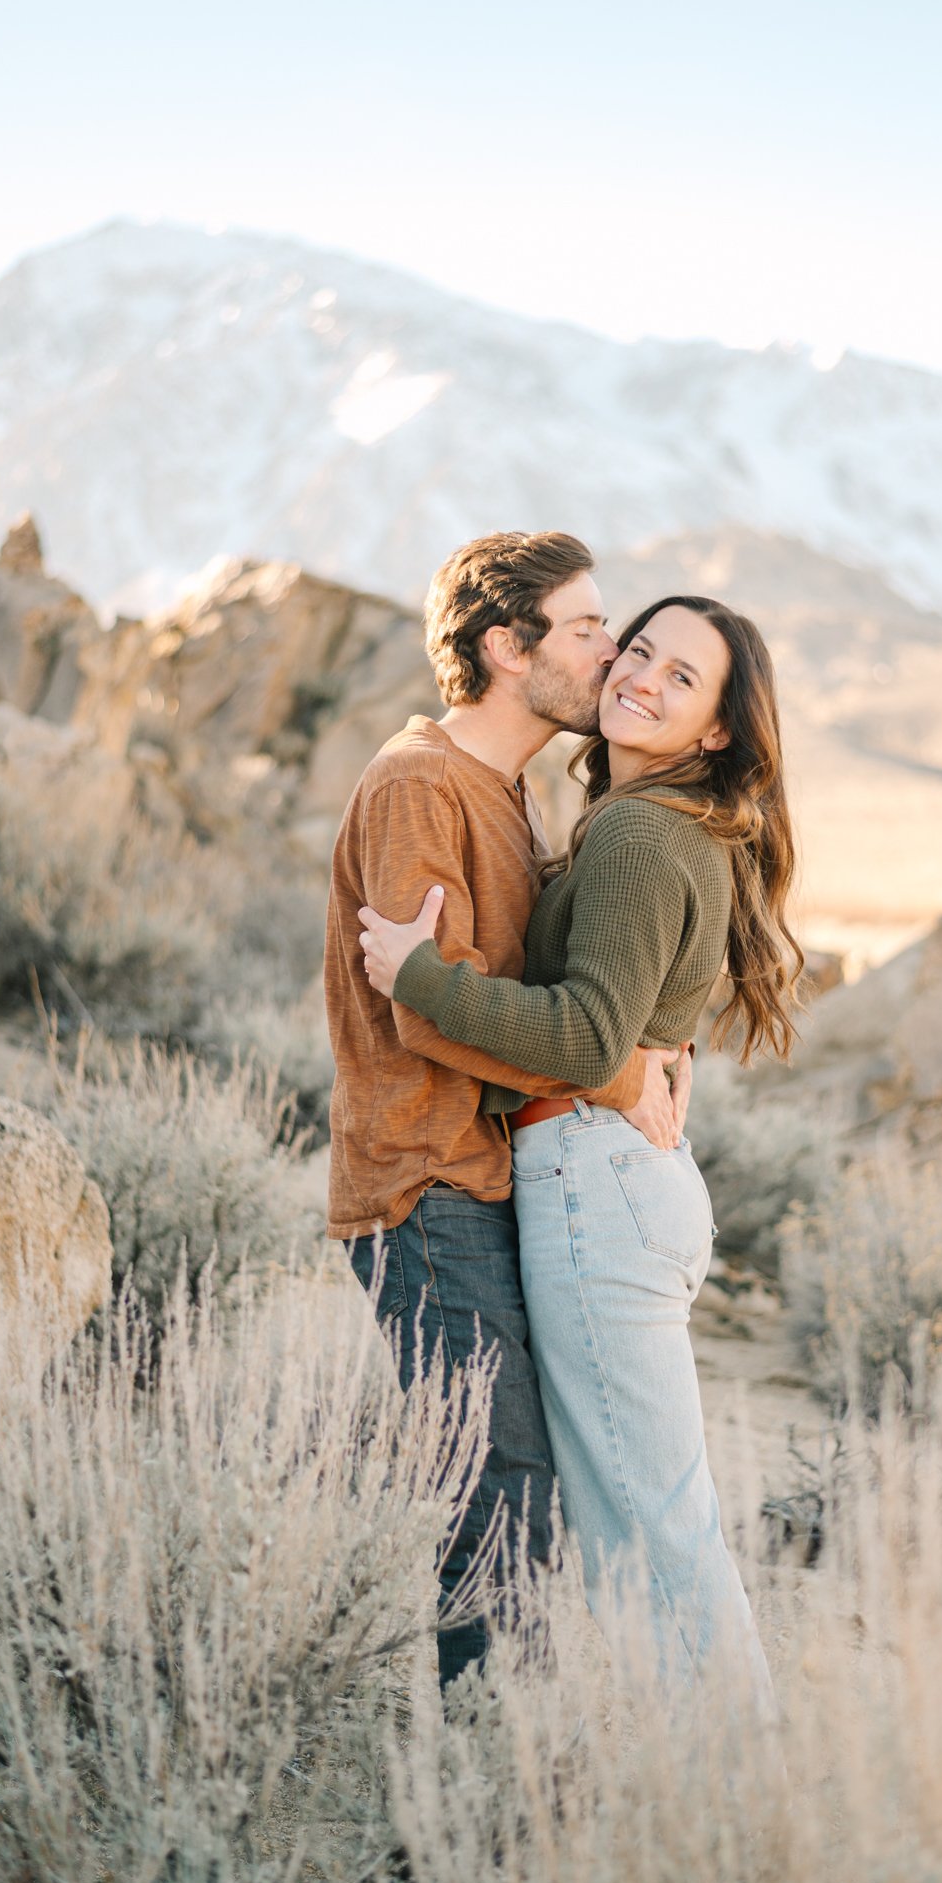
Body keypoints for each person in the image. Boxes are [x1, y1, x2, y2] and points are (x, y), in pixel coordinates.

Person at [358, 594, 803, 1717]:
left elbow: (588, 1038)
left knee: (653, 1533)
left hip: (597, 1189)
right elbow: (638, 1012)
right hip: (615, 1185)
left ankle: (738, 1812)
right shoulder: (658, 822)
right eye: (636, 648)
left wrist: (420, 976)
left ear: (714, 730)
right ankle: (708, 1791)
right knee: (642, 1524)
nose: (638, 674)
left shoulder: (640, 832)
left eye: (680, 676)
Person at [324, 532, 690, 1693]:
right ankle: (486, 1809)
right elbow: (425, 1006)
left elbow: (527, 984)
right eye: (586, 629)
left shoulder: (507, 789)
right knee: (498, 1492)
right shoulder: (420, 782)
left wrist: (640, 1037)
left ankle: (502, 1783)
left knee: (518, 1488)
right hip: (421, 1185)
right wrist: (615, 1072)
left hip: (485, 1180)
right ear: (504, 645)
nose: (612, 650)